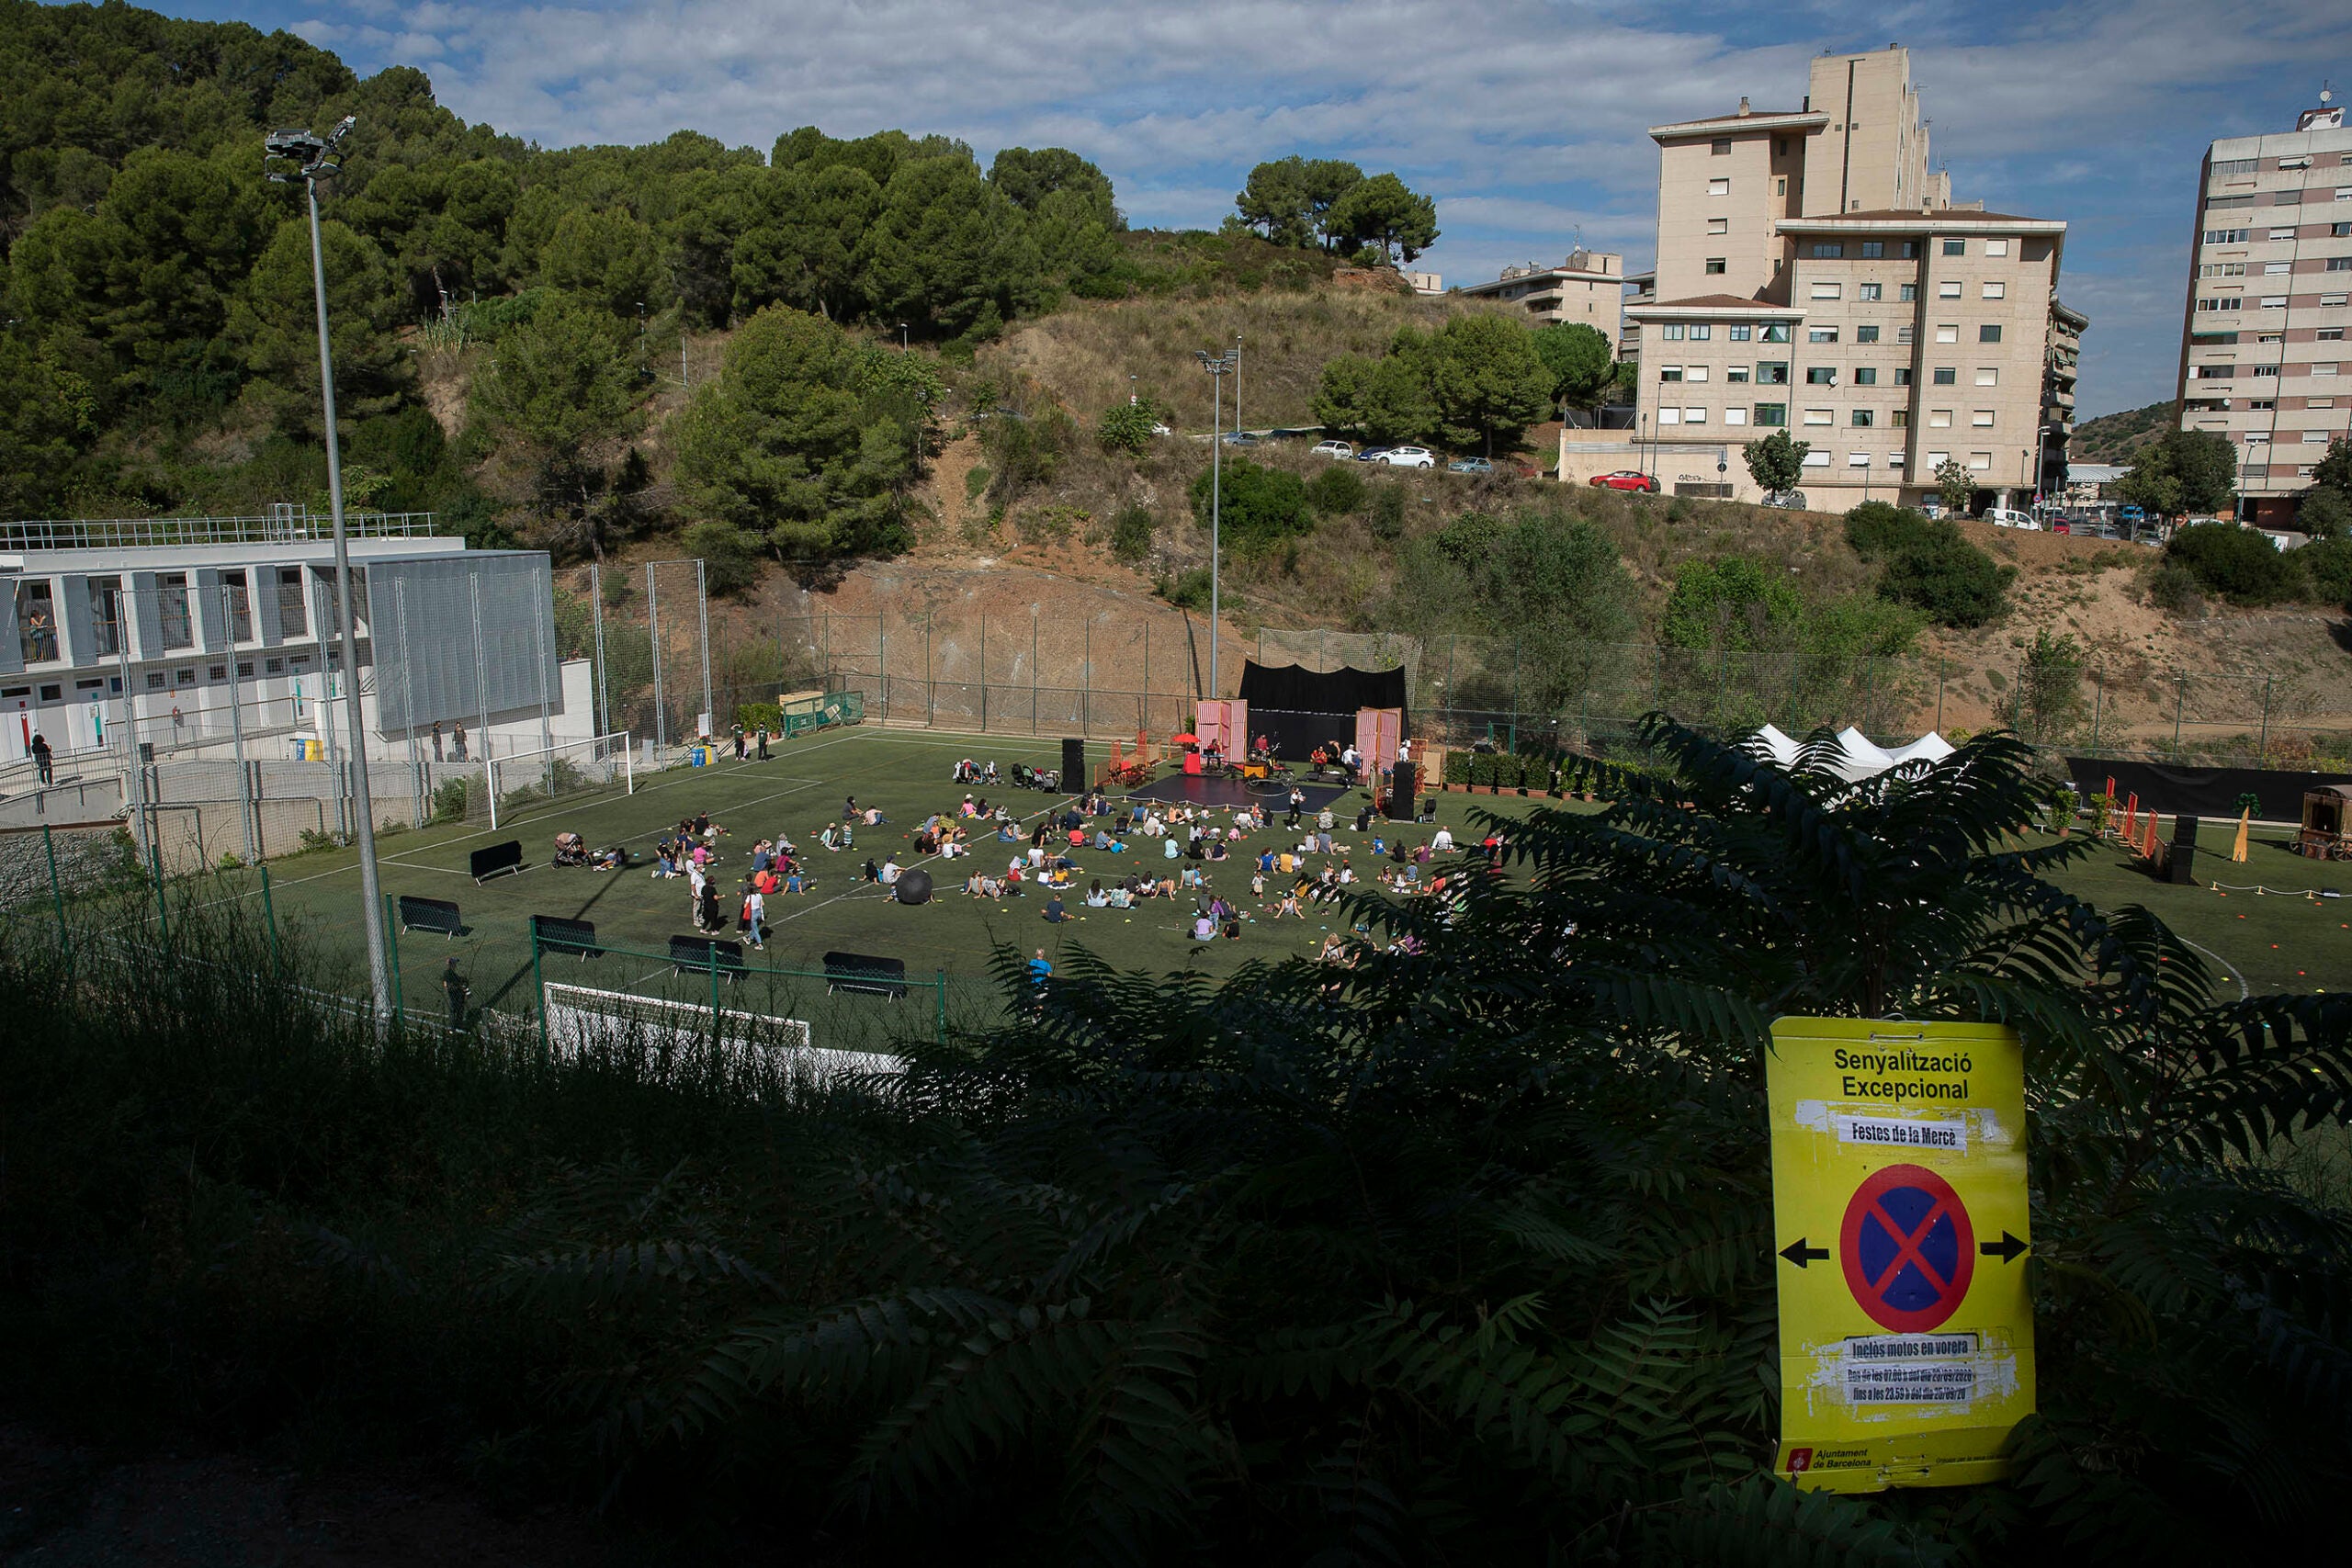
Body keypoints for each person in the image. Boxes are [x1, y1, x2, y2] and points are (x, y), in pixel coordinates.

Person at [442, 956, 469, 1032]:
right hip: (454, 995)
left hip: (458, 995)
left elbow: (459, 980)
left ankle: (458, 1025)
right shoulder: (447, 973)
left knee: (460, 1010)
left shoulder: (453, 974)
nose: (455, 965)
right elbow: (446, 985)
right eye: (454, 963)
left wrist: (463, 979)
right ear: (451, 965)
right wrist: (457, 987)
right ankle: (452, 1028)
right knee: (454, 1011)